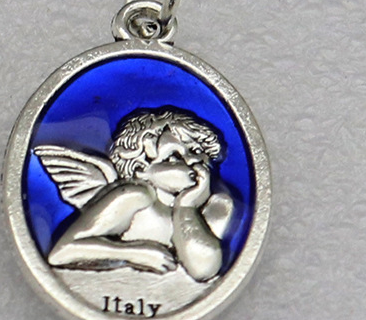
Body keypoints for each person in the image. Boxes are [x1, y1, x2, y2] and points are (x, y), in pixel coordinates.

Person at [38, 108, 234, 282]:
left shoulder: (217, 206)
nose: (192, 162)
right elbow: (62, 252)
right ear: (141, 170)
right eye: (174, 158)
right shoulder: (136, 196)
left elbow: (204, 270)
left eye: (197, 151)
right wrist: (133, 253)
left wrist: (186, 208)